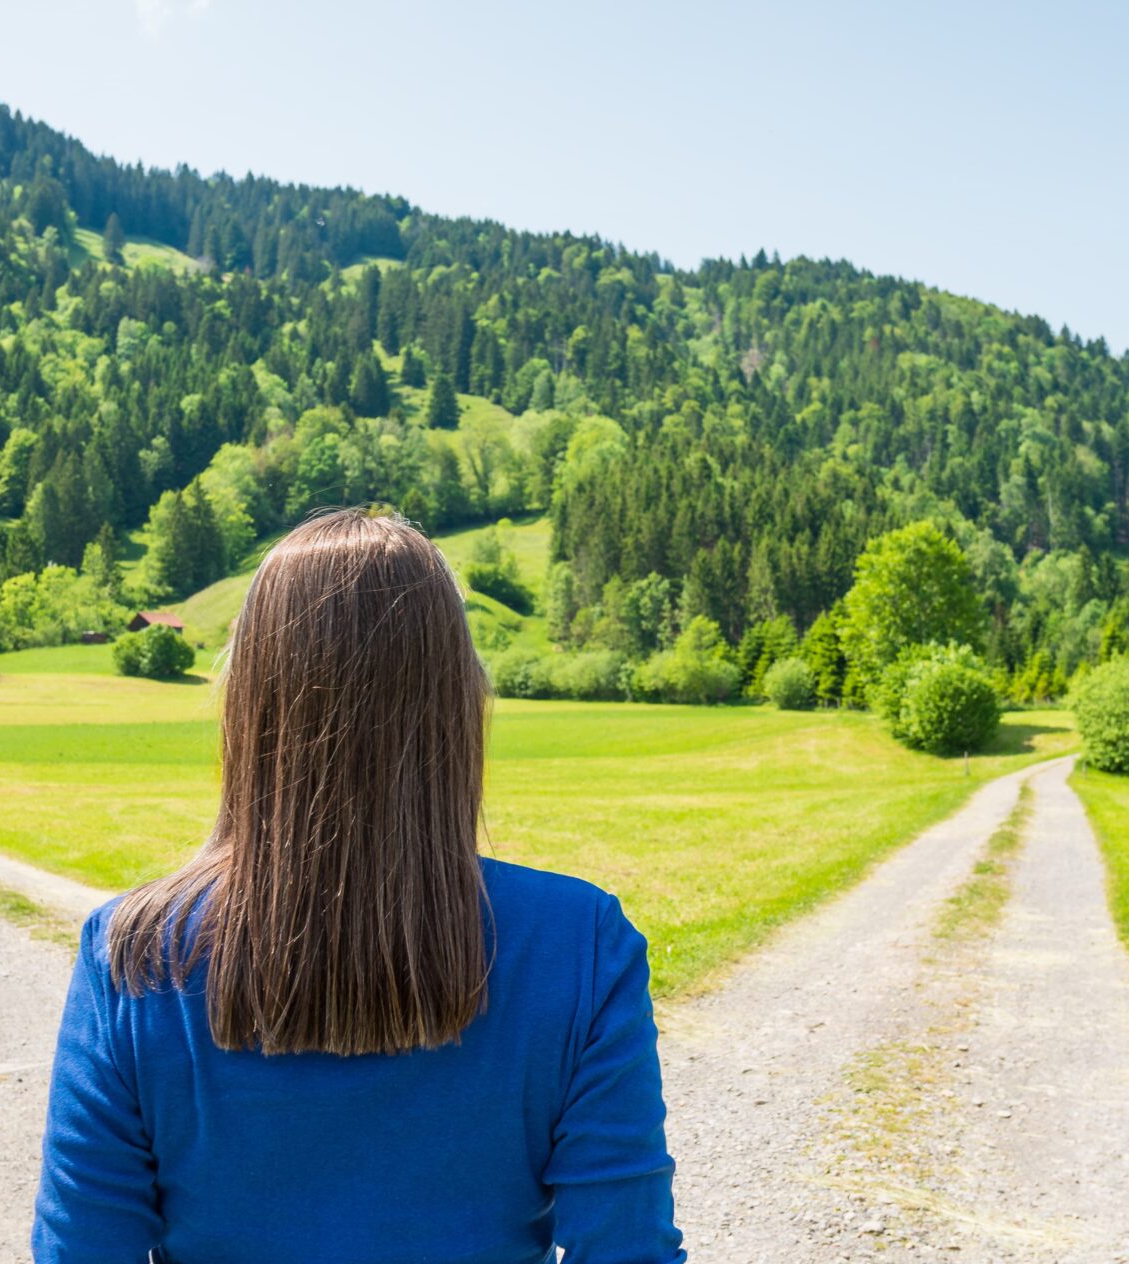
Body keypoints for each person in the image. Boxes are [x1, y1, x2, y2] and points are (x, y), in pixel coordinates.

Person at [34, 508, 683, 1264]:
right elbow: (628, 1250)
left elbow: (81, 1249)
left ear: (249, 703)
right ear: (459, 704)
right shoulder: (580, 944)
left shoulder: (133, 955)